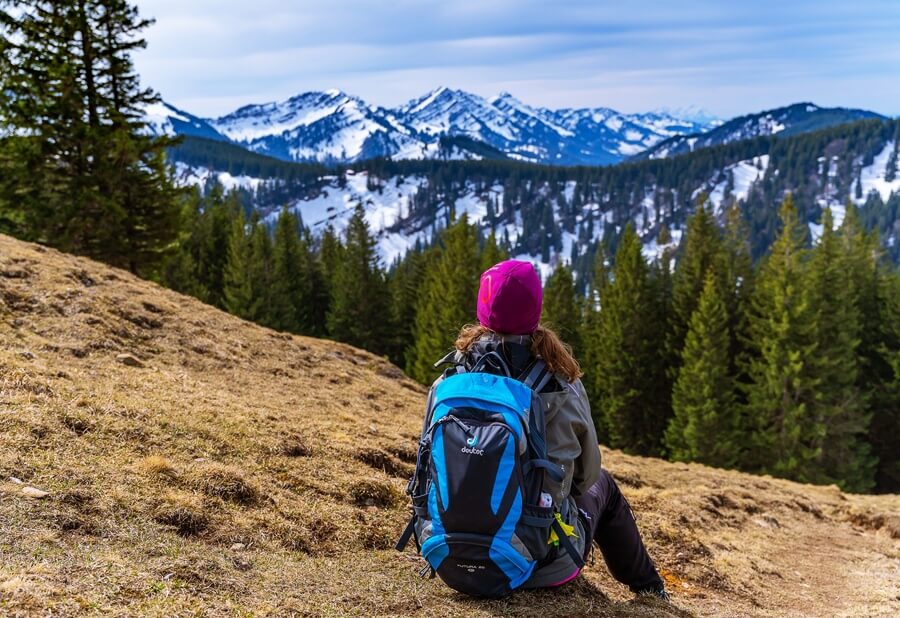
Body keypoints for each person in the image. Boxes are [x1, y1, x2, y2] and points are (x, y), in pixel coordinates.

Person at [443, 259, 668, 597]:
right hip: (540, 562)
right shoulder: (562, 384)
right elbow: (585, 477)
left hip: (450, 557)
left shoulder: (451, 379)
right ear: (535, 309)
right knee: (604, 485)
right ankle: (649, 588)